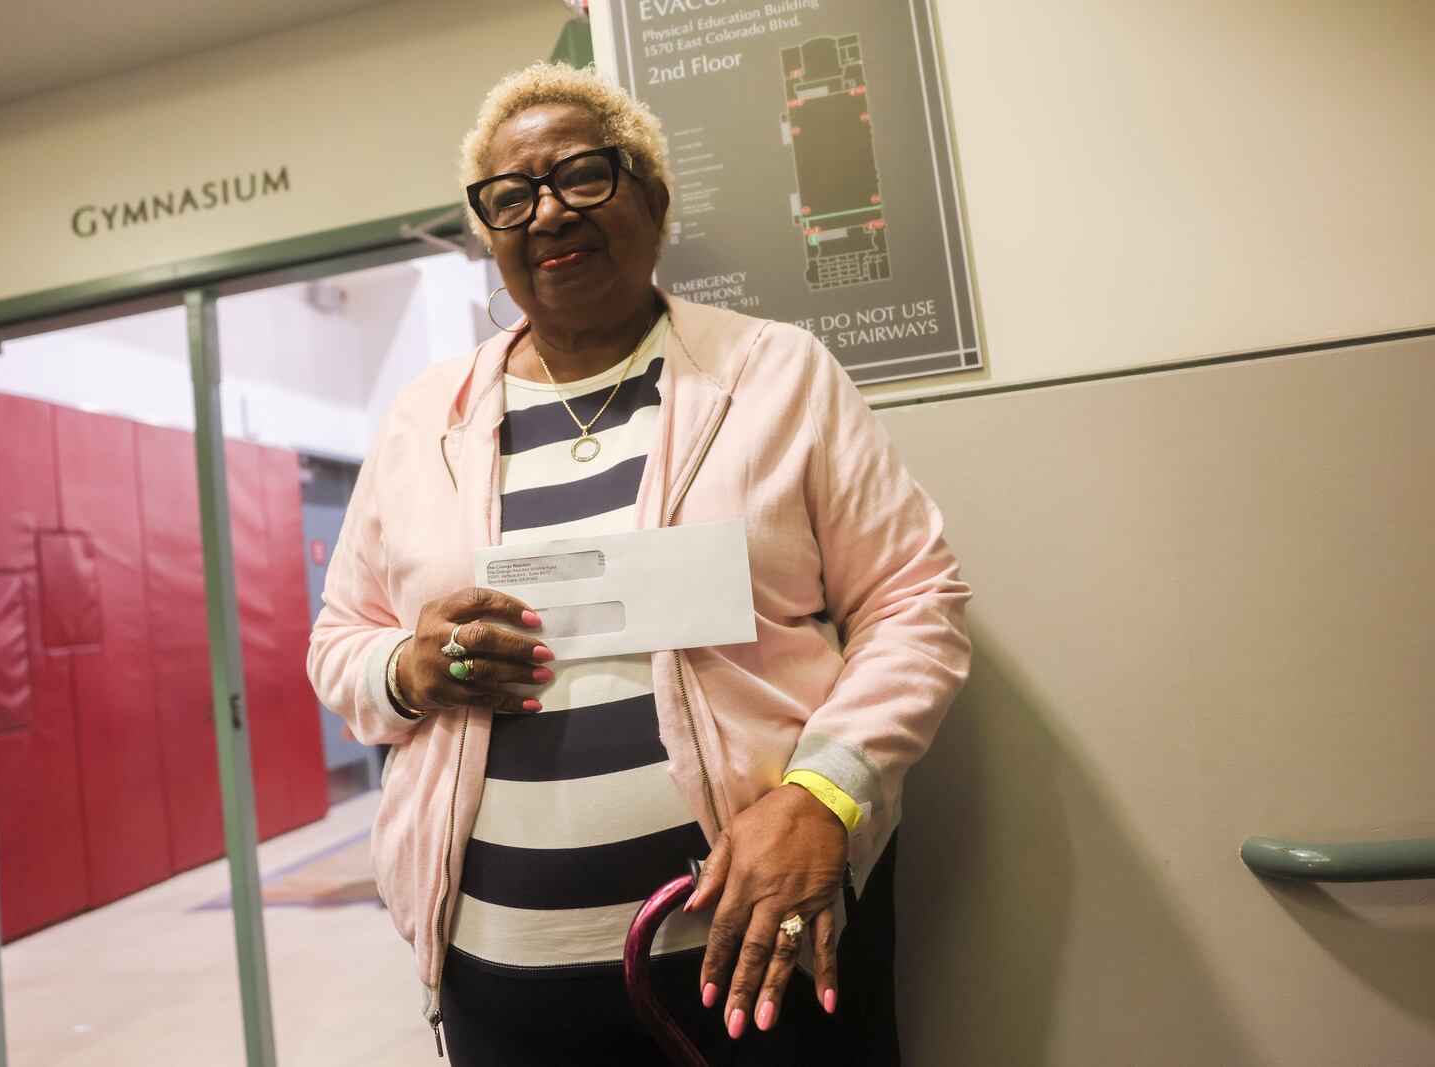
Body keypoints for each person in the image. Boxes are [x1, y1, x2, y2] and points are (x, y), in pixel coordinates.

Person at [308, 62, 971, 1065]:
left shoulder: (775, 375)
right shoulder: (420, 423)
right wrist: (404, 665)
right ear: (487, 235)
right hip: (501, 979)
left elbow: (915, 599)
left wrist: (822, 795)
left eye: (582, 173)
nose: (546, 212)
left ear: (651, 195)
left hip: (755, 944)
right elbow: (339, 639)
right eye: (511, 195)